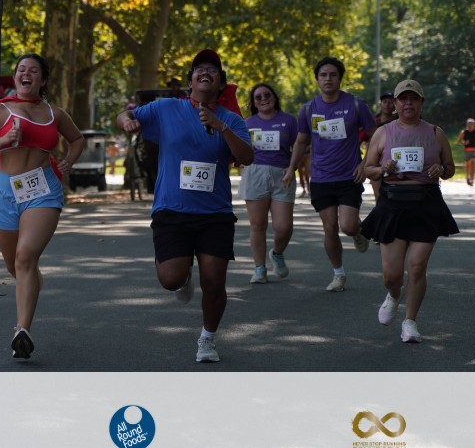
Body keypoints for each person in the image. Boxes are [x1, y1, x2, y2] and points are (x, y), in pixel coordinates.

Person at [117, 48, 253, 363]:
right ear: (190, 81)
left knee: (214, 282)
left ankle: (207, 338)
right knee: (171, 279)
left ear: (220, 84)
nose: (205, 72)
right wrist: (126, 121)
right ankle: (183, 276)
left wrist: (222, 127)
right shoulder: (166, 108)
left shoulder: (231, 119)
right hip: (172, 209)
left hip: (215, 213)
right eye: (199, 69)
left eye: (213, 70)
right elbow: (126, 115)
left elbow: (247, 157)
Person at [0, 53, 85, 360]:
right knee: (16, 266)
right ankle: (31, 282)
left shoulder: (54, 113)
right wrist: (4, 140)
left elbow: (77, 140)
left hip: (42, 190)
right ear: (16, 77)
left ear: (43, 80)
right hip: (4, 191)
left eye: (33, 70)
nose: (26, 73)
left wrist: (67, 161)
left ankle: (22, 331)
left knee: (25, 257)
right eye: (21, 69)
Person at [360, 79, 458, 343]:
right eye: (403, 99)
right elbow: (368, 169)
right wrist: (383, 169)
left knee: (416, 267)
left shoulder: (435, 132)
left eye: (414, 98)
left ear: (421, 103)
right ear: (395, 103)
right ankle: (394, 294)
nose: (408, 103)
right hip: (393, 204)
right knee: (391, 275)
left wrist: (441, 170)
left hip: (426, 203)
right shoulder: (383, 133)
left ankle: (410, 322)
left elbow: (450, 168)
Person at [285, 56, 376, 292]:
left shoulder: (356, 105)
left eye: (333, 75)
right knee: (329, 228)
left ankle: (357, 231)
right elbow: (301, 141)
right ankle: (338, 274)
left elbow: (376, 136)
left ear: (340, 78)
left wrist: (365, 163)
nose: (328, 79)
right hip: (321, 178)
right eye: (323, 75)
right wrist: (291, 168)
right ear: (317, 79)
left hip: (349, 176)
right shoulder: (308, 109)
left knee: (347, 226)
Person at [240, 83, 298, 284]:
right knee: (258, 224)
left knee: (284, 226)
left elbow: (299, 146)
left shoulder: (289, 121)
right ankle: (259, 268)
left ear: (274, 97)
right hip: (255, 173)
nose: (263, 99)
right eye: (258, 97)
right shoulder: (247, 123)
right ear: (253, 102)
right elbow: (240, 149)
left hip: (282, 175)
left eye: (267, 95)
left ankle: (277, 253)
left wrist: (292, 167)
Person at [370, 91, 397, 202]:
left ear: (395, 105)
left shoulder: (399, 121)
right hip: (376, 163)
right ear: (380, 104)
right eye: (385, 102)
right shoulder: (372, 121)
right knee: (378, 196)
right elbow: (362, 136)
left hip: (394, 163)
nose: (387, 105)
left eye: (390, 102)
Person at [456, 118, 475, 186]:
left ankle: (472, 179)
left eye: (471, 124)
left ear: (474, 125)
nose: (470, 126)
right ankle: (467, 177)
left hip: (474, 150)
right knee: (468, 165)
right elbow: (458, 141)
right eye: (469, 124)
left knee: (472, 164)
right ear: (467, 125)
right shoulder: (463, 132)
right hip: (467, 150)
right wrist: (464, 143)